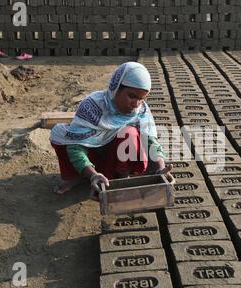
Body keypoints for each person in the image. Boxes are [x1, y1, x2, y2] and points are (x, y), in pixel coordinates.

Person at [50, 62, 174, 196]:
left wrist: (160, 169)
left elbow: (151, 141)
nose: (136, 104)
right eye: (131, 96)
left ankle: (121, 178)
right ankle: (77, 176)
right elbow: (75, 147)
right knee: (61, 137)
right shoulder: (93, 106)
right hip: (92, 156)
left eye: (141, 99)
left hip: (114, 161)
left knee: (129, 134)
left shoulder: (141, 110)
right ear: (116, 88)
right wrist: (92, 175)